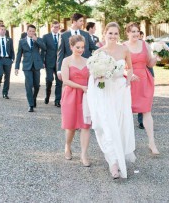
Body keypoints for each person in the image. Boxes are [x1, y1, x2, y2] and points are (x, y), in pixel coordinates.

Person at [85, 22, 136, 179]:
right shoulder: (99, 53)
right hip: (105, 91)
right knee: (107, 125)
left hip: (120, 91)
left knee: (120, 125)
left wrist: (128, 79)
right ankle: (113, 163)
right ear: (104, 34)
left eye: (115, 33)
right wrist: (99, 75)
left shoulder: (124, 49)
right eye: (110, 33)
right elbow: (93, 75)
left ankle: (118, 156)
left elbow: (130, 67)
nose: (113, 36)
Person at [125, 23, 160, 155]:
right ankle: (127, 145)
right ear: (127, 33)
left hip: (144, 80)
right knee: (127, 113)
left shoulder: (145, 44)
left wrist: (156, 57)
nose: (135, 34)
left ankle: (151, 143)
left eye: (137, 31)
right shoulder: (123, 46)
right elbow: (120, 66)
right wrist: (128, 74)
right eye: (132, 31)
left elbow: (149, 63)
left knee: (147, 111)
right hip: (130, 81)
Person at [60, 35, 92, 166]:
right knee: (71, 126)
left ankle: (83, 155)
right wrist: (81, 86)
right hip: (71, 95)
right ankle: (67, 146)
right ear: (71, 47)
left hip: (85, 96)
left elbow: (92, 78)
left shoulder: (88, 61)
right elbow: (65, 80)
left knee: (86, 125)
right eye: (78, 47)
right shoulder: (66, 61)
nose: (80, 49)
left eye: (82, 47)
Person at [56, 13, 98, 108]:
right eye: (81, 21)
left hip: (84, 67)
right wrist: (59, 70)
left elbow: (93, 47)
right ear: (74, 22)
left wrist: (104, 49)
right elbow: (60, 53)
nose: (83, 23)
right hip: (71, 68)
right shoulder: (64, 35)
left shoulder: (86, 34)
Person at [15, 24, 46, 112]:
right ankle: (31, 105)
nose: (31, 33)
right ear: (27, 31)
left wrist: (37, 40)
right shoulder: (22, 41)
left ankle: (34, 98)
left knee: (36, 85)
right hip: (27, 66)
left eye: (33, 31)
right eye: (30, 31)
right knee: (29, 85)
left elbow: (44, 48)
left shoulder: (38, 39)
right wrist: (16, 67)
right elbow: (19, 55)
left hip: (36, 65)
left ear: (35, 32)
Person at [0, 24, 15, 99]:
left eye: (4, 30)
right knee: (0, 74)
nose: (3, 31)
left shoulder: (9, 40)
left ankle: (5, 93)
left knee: (7, 77)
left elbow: (12, 50)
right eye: (2, 29)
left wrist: (12, 59)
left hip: (7, 60)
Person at [43, 21, 62, 106]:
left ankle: (57, 100)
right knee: (49, 79)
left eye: (57, 27)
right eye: (54, 27)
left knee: (59, 82)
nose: (56, 28)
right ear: (51, 27)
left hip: (59, 62)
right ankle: (47, 95)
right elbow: (43, 50)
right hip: (49, 61)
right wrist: (42, 61)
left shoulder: (61, 36)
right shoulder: (46, 37)